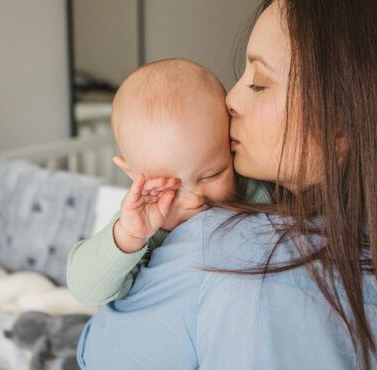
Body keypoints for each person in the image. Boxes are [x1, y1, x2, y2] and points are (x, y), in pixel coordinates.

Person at [77, 1, 377, 369]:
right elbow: (88, 278)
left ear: (342, 125)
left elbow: (99, 355)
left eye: (259, 83)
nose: (229, 100)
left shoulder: (228, 251)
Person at [66, 58, 271, 305]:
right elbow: (85, 291)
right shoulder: (145, 225)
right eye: (168, 187)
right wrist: (128, 236)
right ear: (132, 173)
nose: (195, 199)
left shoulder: (257, 191)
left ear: (231, 145)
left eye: (212, 175)